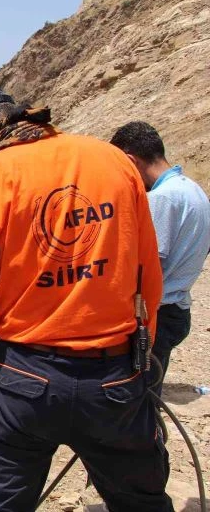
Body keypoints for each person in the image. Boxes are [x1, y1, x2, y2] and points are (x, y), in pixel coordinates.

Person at [0, 84, 170, 511]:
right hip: (113, 377)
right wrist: (139, 358)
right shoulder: (113, 161)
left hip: (23, 382)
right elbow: (149, 279)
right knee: (142, 502)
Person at [110, 121, 210, 393]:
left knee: (136, 396)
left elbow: (146, 262)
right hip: (177, 307)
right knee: (150, 385)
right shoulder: (192, 189)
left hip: (159, 313)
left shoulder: (162, 199)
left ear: (131, 160)